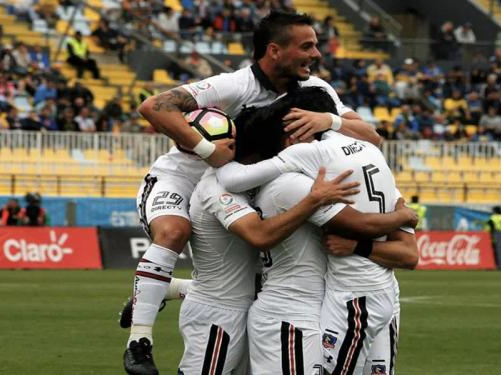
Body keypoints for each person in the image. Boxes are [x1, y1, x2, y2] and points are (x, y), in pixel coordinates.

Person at [124, 11, 380, 374]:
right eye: (307, 46)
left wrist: (331, 120)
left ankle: (169, 289)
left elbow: (373, 136)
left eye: (316, 45)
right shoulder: (234, 85)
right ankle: (139, 342)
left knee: (248, 281)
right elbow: (154, 106)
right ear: (274, 51)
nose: (317, 54)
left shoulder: (315, 91)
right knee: (174, 233)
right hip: (183, 180)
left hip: (244, 182)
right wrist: (209, 151)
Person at [216, 87, 418, 374]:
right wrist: (403, 215)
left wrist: (211, 156)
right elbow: (406, 251)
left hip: (353, 296)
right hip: (369, 295)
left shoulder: (308, 158)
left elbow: (233, 179)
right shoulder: (372, 153)